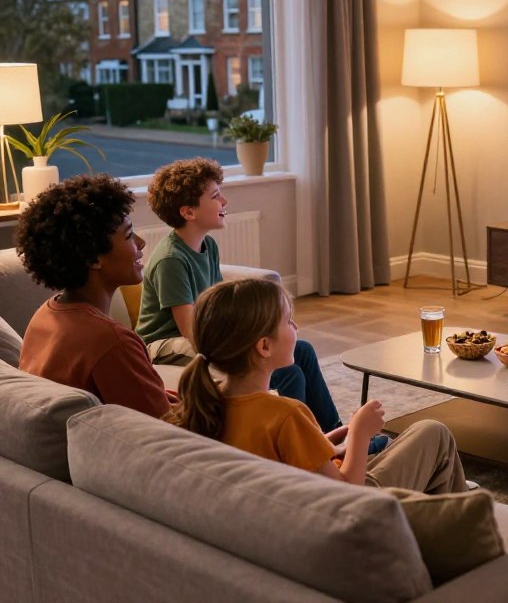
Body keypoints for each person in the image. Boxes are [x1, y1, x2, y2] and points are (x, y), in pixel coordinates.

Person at [135, 157, 363, 446]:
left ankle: (335, 435)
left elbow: (216, 309)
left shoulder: (209, 245)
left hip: (196, 333)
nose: (224, 201)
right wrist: (249, 344)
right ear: (188, 211)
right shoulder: (171, 260)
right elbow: (190, 330)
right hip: (163, 344)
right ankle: (307, 446)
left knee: (301, 350)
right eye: (215, 196)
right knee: (283, 368)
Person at [166, 278, 469, 494]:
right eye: (289, 322)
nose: (296, 328)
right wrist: (361, 434)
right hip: (352, 513)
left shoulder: (206, 403)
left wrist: (327, 443)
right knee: (433, 432)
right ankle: (458, 531)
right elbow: (346, 495)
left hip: (292, 508)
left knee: (414, 443)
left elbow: (280, 458)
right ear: (264, 347)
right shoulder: (285, 414)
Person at [16, 174, 171, 417]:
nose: (140, 244)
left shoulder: (44, 316)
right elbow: (168, 428)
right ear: (93, 258)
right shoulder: (112, 341)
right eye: (129, 235)